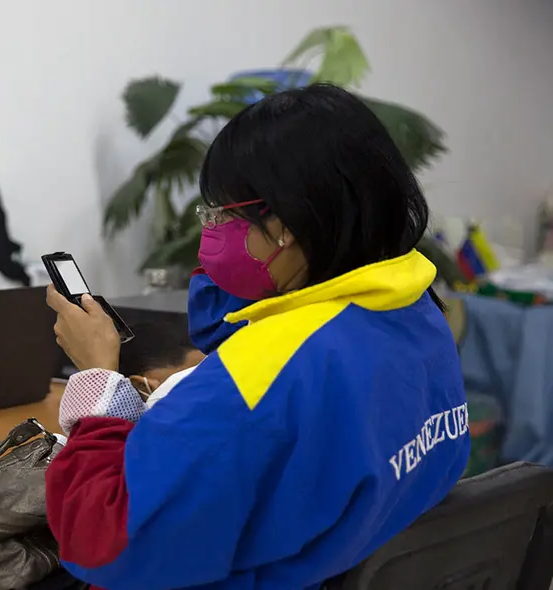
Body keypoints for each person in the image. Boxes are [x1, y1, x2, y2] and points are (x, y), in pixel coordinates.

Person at [44, 84, 470, 590]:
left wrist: (97, 378)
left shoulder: (262, 374)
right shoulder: (414, 309)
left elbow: (103, 540)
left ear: (285, 223)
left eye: (222, 214)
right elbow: (232, 333)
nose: (211, 230)